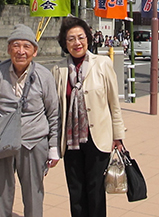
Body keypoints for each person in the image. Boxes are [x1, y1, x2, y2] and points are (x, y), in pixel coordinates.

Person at [0, 24, 60, 217]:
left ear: (35, 51)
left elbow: (53, 113)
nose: (21, 51)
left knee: (34, 193)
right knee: (0, 191)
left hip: (33, 141)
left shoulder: (44, 76)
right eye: (16, 45)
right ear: (9, 49)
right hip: (1, 141)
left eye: (27, 46)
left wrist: (53, 147)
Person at [52, 16, 125, 217]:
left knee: (95, 191)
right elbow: (56, 109)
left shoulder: (102, 64)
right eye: (71, 39)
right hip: (71, 141)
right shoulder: (58, 69)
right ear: (65, 43)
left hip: (97, 138)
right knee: (76, 192)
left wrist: (118, 136)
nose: (77, 43)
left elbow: (114, 103)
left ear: (88, 39)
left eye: (81, 37)